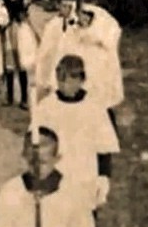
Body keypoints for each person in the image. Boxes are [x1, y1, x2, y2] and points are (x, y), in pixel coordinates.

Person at [38, 56, 120, 215]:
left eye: (68, 81)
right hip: (58, 174)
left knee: (85, 222)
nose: (64, 86)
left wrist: (103, 177)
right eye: (60, 81)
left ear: (81, 80)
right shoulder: (47, 107)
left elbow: (104, 148)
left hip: (85, 175)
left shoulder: (94, 108)